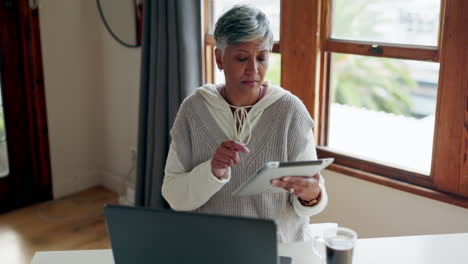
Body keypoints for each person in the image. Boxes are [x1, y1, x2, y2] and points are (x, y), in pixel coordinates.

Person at [162, 5, 327, 242]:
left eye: (262, 57)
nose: (253, 69)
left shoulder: (291, 111)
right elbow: (174, 196)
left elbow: (310, 200)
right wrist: (212, 171)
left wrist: (312, 195)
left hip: (278, 250)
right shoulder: (194, 110)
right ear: (219, 58)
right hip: (212, 248)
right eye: (241, 58)